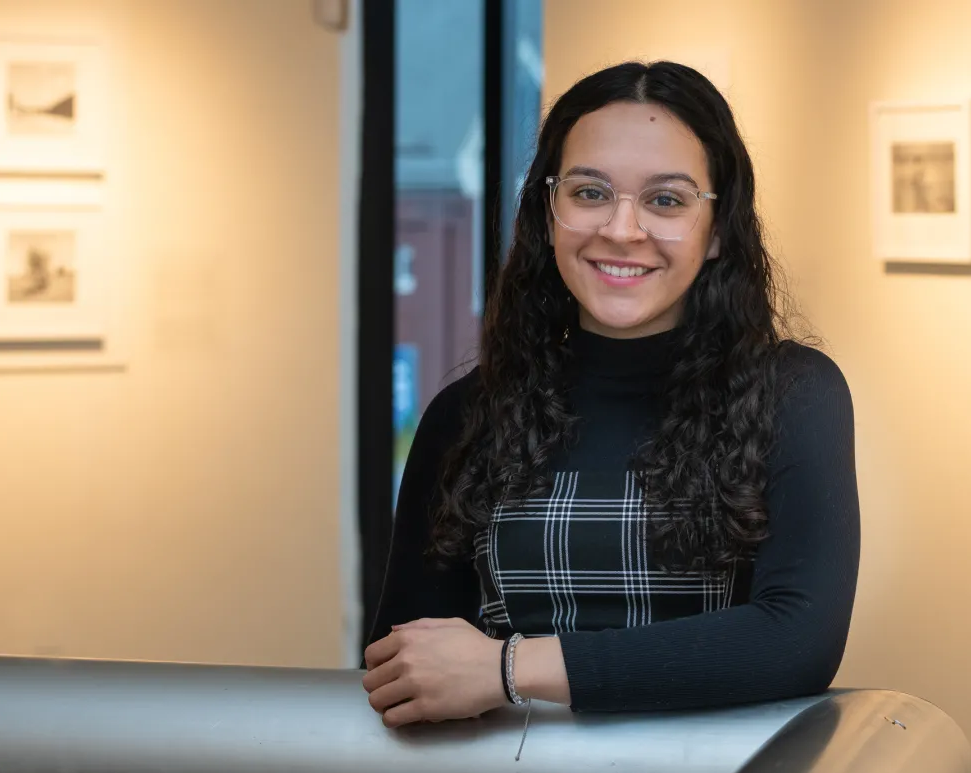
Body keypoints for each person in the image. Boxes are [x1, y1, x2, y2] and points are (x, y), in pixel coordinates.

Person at [360, 61, 860, 727]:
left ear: (717, 232)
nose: (623, 229)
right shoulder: (465, 416)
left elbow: (796, 640)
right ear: (548, 210)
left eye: (667, 200)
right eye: (590, 193)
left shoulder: (794, 395)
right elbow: (410, 670)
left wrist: (507, 669)